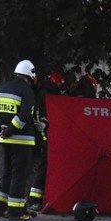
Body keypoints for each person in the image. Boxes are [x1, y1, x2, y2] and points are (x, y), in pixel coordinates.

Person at [0, 59, 37, 221]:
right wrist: (10, 130)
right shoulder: (27, 91)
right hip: (22, 141)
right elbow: (24, 116)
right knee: (20, 175)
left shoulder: (3, 87)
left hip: (6, 141)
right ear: (29, 75)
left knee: (8, 173)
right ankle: (16, 212)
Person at [28, 70, 68, 211]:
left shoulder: (41, 92)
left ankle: (34, 198)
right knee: (43, 168)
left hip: (40, 135)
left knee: (41, 167)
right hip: (45, 136)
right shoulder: (49, 95)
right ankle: (34, 199)